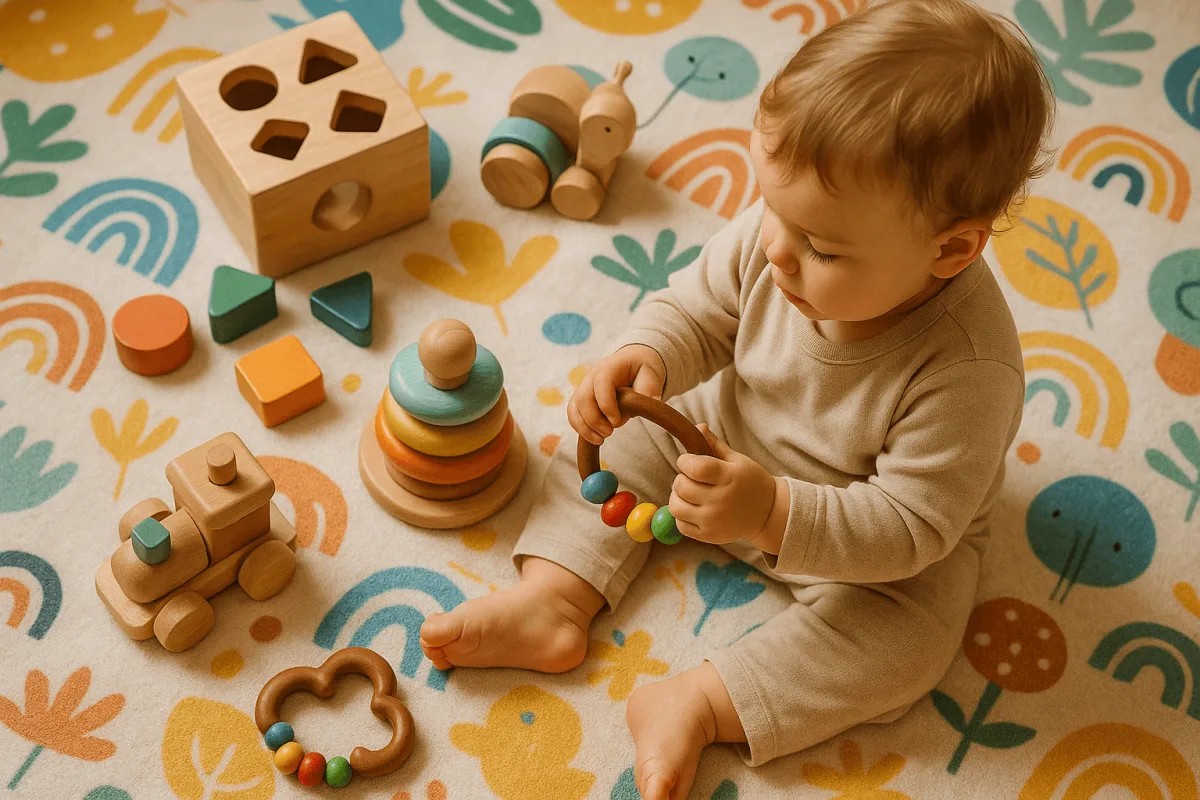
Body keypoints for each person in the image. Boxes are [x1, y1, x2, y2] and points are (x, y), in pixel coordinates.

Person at [422, 1, 1055, 796]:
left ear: (951, 249)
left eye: (823, 249)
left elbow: (913, 525)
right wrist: (643, 356)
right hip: (717, 431)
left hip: (871, 547)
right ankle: (553, 596)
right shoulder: (781, 232)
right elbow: (697, 310)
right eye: (774, 214)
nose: (778, 254)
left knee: (914, 642)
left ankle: (701, 702)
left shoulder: (970, 369)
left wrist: (772, 516)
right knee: (612, 438)